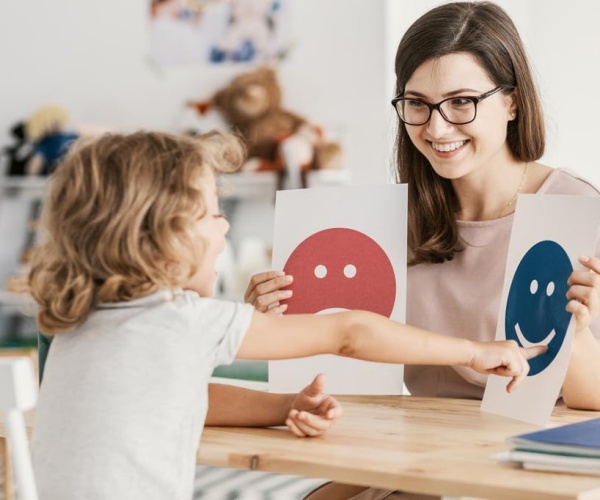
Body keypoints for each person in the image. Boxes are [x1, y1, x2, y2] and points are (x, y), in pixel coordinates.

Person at [26, 129, 541, 500]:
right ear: (159, 238)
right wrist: (475, 351)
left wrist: (284, 406)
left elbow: (182, 396)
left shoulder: (82, 326)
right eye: (211, 213)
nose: (225, 228)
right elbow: (349, 330)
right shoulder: (180, 320)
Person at [244, 2, 600, 498]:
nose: (435, 128)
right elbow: (349, 360)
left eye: (461, 102)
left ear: (513, 102)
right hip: (415, 452)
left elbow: (592, 404)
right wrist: (272, 320)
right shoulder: (392, 222)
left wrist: (577, 331)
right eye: (417, 103)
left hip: (523, 464)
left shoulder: (577, 209)